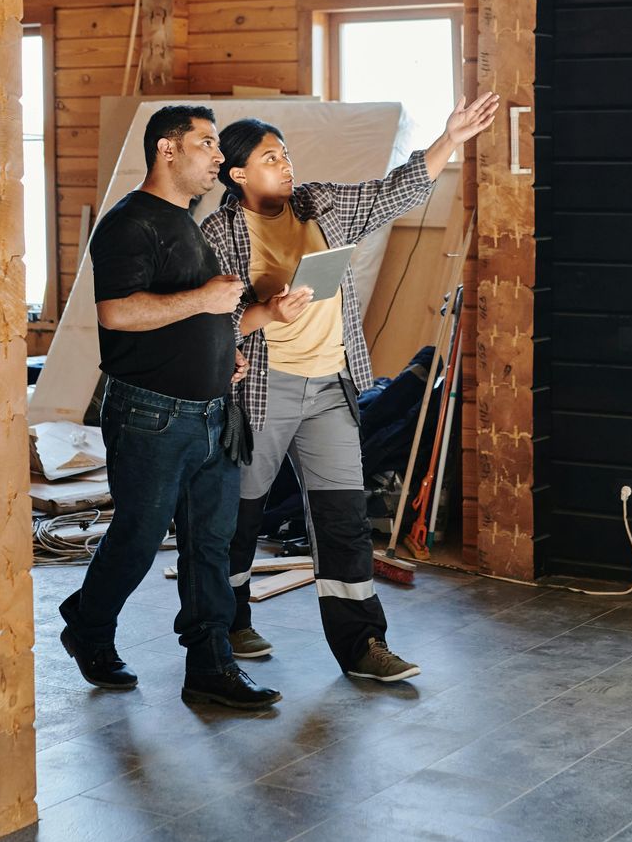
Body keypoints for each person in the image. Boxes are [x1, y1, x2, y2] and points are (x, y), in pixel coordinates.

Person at [202, 91, 499, 682]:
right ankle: (227, 620)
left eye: (285, 154)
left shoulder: (323, 205)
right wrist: (266, 310)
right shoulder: (218, 234)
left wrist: (451, 139)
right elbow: (208, 320)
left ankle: (363, 645)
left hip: (331, 386)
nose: (285, 165)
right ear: (236, 174)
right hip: (263, 389)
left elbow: (397, 190)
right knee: (241, 513)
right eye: (268, 158)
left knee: (342, 518)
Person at [57, 105, 281, 710]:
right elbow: (118, 313)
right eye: (206, 143)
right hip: (151, 415)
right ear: (167, 149)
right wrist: (207, 299)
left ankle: (210, 666)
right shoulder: (130, 224)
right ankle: (89, 626)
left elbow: (193, 318)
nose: (217, 155)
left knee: (210, 543)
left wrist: (222, 356)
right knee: (138, 535)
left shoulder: (187, 222)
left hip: (212, 411)